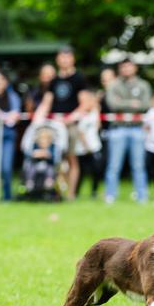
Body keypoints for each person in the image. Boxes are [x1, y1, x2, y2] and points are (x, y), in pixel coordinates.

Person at [34, 46, 94, 200]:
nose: (64, 60)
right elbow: (47, 102)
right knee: (56, 159)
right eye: (62, 57)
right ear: (57, 59)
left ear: (72, 59)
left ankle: (71, 194)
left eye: (67, 57)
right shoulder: (54, 80)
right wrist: (37, 119)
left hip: (71, 125)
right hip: (54, 126)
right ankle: (57, 192)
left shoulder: (79, 78)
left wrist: (68, 119)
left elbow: (86, 103)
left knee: (72, 159)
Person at [104, 58, 152, 204]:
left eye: (129, 67)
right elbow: (112, 105)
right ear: (120, 69)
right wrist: (132, 103)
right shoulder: (113, 85)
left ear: (135, 68)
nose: (126, 70)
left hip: (137, 128)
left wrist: (122, 103)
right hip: (118, 128)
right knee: (114, 165)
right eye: (123, 67)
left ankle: (142, 196)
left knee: (138, 165)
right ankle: (110, 195)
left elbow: (145, 105)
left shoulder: (143, 85)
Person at [0, 72, 21, 201]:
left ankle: (7, 194)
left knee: (6, 166)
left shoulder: (13, 97)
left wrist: (9, 117)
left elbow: (16, 113)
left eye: (0, 82)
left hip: (8, 135)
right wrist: (2, 116)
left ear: (5, 83)